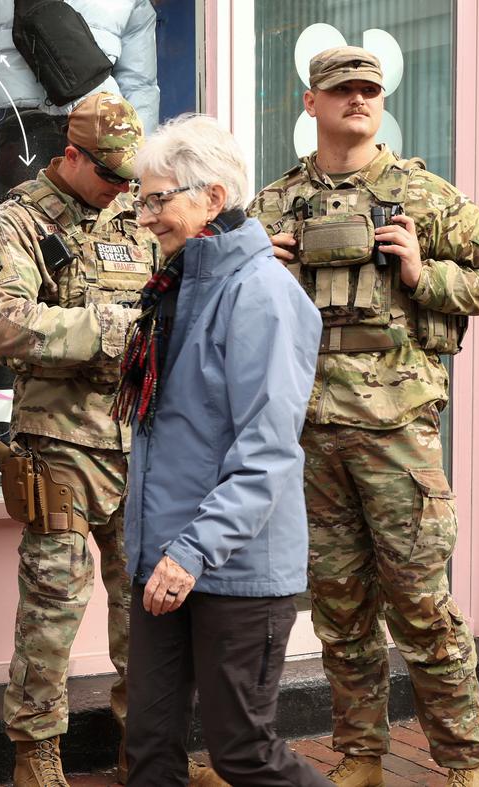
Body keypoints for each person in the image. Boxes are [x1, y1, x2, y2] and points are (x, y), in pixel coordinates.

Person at [248, 47, 479, 787]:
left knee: (423, 607)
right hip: (309, 435)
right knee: (340, 613)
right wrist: (261, 277)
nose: (359, 99)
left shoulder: (424, 196)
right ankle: (361, 757)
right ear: (312, 104)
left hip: (398, 434)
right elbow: (228, 317)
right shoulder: (274, 204)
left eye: (370, 89)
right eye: (343, 89)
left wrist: (420, 271)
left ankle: (466, 764)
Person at [118, 113, 327, 787]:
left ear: (212, 197)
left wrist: (192, 549)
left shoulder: (261, 294)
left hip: (232, 569)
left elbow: (267, 451)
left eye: (158, 198)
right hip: (166, 560)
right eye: (140, 199)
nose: (145, 216)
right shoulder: (181, 285)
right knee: (149, 747)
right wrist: (158, 551)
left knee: (244, 752)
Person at [0, 92, 163, 787]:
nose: (124, 188)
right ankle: (37, 753)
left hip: (140, 438)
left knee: (146, 606)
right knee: (53, 603)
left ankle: (143, 750)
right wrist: (117, 330)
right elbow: (8, 322)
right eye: (111, 175)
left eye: (131, 176)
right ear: (72, 156)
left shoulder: (140, 217)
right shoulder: (17, 221)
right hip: (60, 442)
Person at [0, 0, 159, 203]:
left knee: (87, 226)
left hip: (94, 130)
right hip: (29, 128)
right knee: (28, 223)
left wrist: (137, 162)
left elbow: (139, 83)